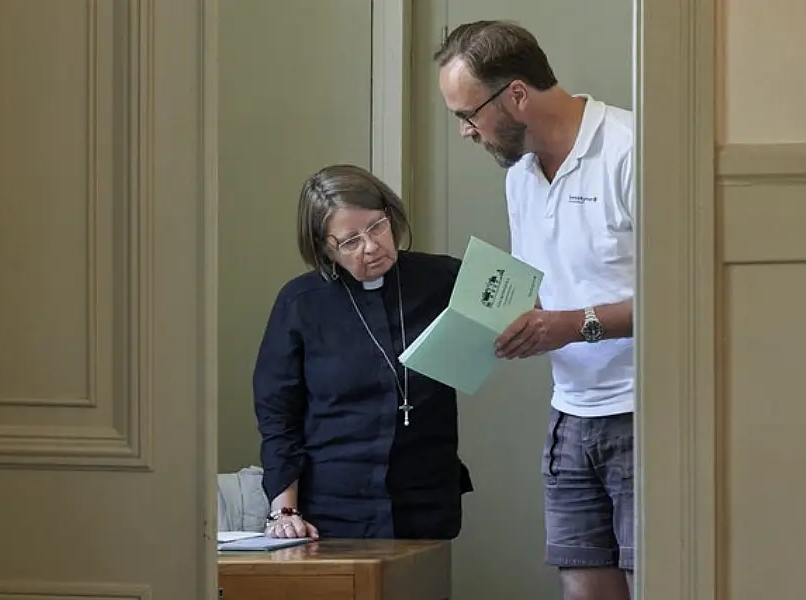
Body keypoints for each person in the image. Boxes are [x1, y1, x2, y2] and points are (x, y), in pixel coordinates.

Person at [434, 21, 636, 600]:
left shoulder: (631, 148)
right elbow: (545, 289)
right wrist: (496, 324)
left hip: (648, 412)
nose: (468, 133)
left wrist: (570, 326)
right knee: (583, 591)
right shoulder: (521, 174)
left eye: (467, 115)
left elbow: (685, 297)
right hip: (570, 416)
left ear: (516, 94)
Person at [252, 163, 473, 541]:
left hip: (425, 503)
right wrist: (284, 509)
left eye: (377, 226)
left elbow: (524, 301)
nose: (371, 246)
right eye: (350, 241)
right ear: (324, 248)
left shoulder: (444, 279)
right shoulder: (301, 303)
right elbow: (278, 415)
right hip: (334, 511)